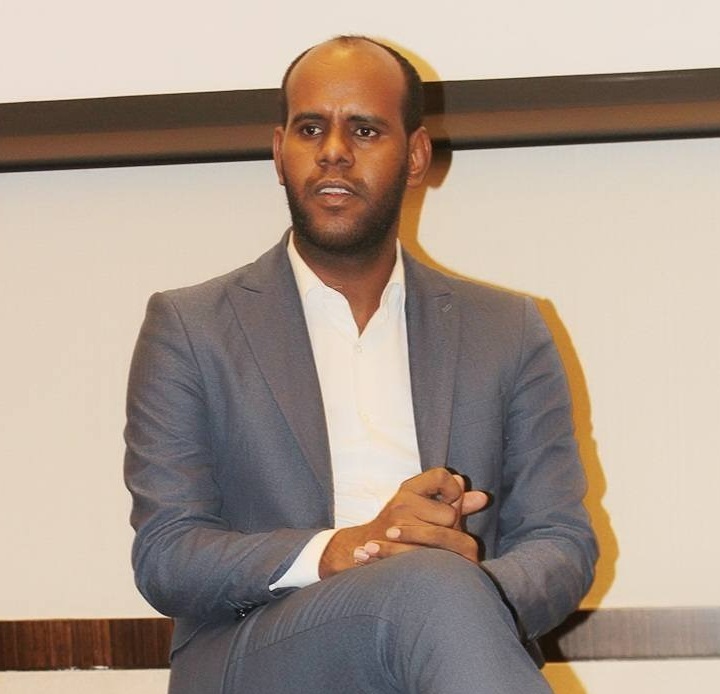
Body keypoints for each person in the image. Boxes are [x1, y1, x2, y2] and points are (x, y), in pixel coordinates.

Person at [124, 35, 598, 694]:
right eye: (309, 129)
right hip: (261, 651)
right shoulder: (191, 326)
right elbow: (167, 554)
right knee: (428, 587)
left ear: (415, 156)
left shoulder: (507, 330)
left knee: (432, 589)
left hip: (444, 645)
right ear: (278, 153)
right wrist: (342, 549)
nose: (333, 151)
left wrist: (457, 591)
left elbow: (560, 541)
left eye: (365, 130)